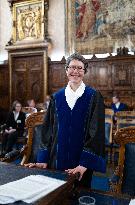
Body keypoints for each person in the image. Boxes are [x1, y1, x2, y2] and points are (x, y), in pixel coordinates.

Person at [25, 53, 106, 188]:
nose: (76, 71)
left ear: (84, 71)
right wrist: (43, 159)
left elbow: (96, 132)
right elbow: (48, 130)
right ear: (66, 69)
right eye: (72, 67)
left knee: (79, 195)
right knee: (54, 194)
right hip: (56, 159)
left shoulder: (93, 96)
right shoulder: (57, 97)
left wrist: (85, 163)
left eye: (80, 68)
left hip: (80, 162)